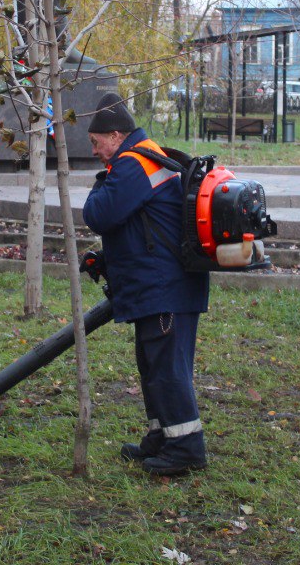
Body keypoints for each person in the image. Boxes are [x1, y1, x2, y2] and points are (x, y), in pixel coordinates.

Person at [82, 92, 211, 476]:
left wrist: (99, 182)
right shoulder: (148, 155)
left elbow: (99, 214)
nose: (94, 151)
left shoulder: (133, 164)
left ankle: (186, 448)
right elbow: (147, 225)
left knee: (167, 368)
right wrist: (107, 260)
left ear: (116, 134)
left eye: (96, 143)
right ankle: (163, 437)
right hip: (163, 284)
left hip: (163, 288)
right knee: (154, 366)